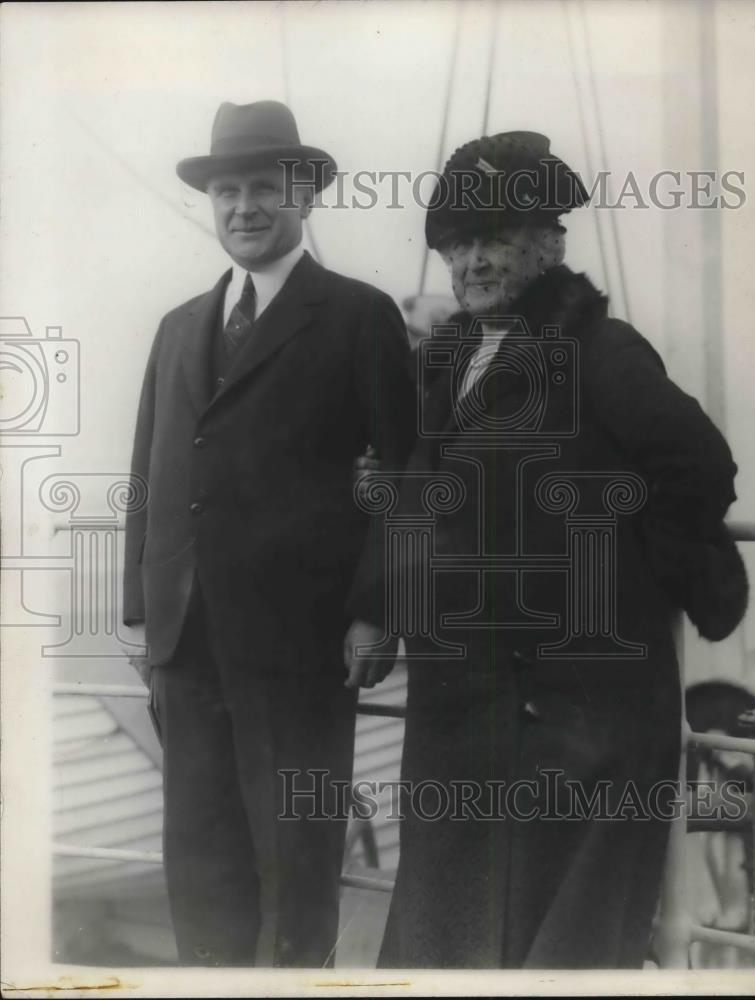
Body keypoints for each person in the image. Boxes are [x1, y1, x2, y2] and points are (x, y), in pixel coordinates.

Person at [346, 130, 748, 968]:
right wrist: (375, 610)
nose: (474, 262)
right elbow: (415, 497)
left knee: (555, 946)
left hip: (577, 711)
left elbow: (696, 465)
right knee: (450, 937)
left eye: (495, 238)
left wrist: (618, 575)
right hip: (463, 708)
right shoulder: (446, 361)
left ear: (548, 244)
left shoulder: (599, 350)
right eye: (459, 244)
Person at [122, 100, 415, 967]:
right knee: (201, 860)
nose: (243, 207)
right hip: (188, 641)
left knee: (294, 859)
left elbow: (402, 476)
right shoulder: (180, 326)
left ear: (306, 195)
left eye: (264, 188)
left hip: (301, 644)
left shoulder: (359, 316)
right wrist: (144, 613)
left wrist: (373, 611)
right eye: (227, 192)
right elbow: (150, 475)